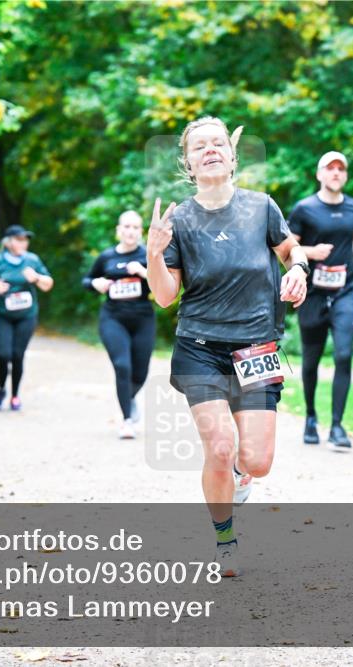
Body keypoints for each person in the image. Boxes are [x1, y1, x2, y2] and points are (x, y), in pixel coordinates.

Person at [146, 116, 309, 577]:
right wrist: (153, 254)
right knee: (219, 445)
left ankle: (239, 480)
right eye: (200, 146)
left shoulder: (261, 207)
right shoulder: (178, 219)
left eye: (219, 143)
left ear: (233, 157)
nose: (211, 149)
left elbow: (290, 249)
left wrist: (298, 269)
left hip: (257, 346)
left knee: (256, 461)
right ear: (188, 162)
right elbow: (163, 296)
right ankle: (225, 539)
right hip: (199, 346)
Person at [288, 151, 353, 451]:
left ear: (346, 175)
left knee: (344, 355)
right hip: (312, 293)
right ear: (319, 174)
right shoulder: (304, 209)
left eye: (341, 168)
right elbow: (286, 247)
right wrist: (311, 253)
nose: (336, 172)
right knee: (311, 360)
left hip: (345, 291)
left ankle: (337, 425)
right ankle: (311, 417)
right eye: (330, 168)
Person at [83, 210, 156, 439]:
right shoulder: (106, 257)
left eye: (135, 227)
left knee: (141, 372)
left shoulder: (148, 255)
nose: (131, 231)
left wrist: (143, 272)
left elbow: (164, 285)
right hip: (113, 317)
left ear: (141, 232)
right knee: (122, 366)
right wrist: (96, 283)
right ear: (118, 230)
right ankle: (126, 420)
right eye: (126, 226)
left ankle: (129, 397)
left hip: (143, 317)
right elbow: (86, 279)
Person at [0, 225, 54, 411]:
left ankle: (15, 395)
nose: (23, 243)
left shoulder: (32, 260)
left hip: (26, 316)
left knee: (18, 355)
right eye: (19, 239)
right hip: (2, 315)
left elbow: (48, 284)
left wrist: (36, 278)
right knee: (4, 355)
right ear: (9, 241)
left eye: (25, 240)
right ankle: (1, 389)